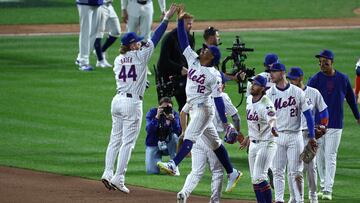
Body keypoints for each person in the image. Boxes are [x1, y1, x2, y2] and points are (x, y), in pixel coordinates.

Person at [157, 7, 242, 200]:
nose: (202, 49)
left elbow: (219, 101)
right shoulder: (194, 60)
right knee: (215, 144)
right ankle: (233, 172)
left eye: (206, 50)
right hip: (194, 107)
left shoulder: (214, 75)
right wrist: (179, 20)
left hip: (204, 110)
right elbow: (183, 40)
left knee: (190, 137)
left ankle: (173, 164)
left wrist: (226, 122)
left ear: (211, 57)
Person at [100, 4, 177, 194]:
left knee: (114, 140)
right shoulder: (141, 55)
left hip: (117, 100)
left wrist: (142, 82)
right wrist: (166, 19)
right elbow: (156, 37)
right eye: (136, 42)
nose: (139, 43)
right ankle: (119, 177)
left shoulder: (118, 60)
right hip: (132, 103)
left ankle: (107, 172)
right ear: (131, 44)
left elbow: (131, 75)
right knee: (128, 142)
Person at [177, 76, 241, 203]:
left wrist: (184, 132)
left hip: (196, 138)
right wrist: (237, 133)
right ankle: (214, 201)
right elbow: (236, 117)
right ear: (220, 85)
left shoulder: (199, 94)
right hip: (213, 139)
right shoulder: (223, 97)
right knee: (217, 171)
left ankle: (184, 192)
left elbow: (183, 112)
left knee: (196, 171)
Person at [307, 49, 360, 200]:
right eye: (320, 62)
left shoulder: (343, 79)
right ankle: (322, 185)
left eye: (325, 62)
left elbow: (351, 99)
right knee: (320, 157)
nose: (322, 65)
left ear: (332, 63)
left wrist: (358, 116)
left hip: (336, 124)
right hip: (318, 126)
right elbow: (306, 101)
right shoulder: (315, 79)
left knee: (330, 156)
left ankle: (328, 189)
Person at [266, 62, 316, 203]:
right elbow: (266, 117)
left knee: (296, 172)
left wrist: (312, 136)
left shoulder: (297, 92)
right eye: (270, 71)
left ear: (282, 73)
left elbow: (308, 115)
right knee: (277, 171)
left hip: (295, 136)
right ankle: (280, 200)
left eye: (274, 71)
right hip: (277, 137)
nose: (271, 74)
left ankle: (299, 200)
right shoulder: (269, 94)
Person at [287, 67, 329, 203]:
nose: (291, 81)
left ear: (301, 78)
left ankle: (313, 196)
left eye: (293, 79)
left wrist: (323, 126)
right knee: (292, 169)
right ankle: (294, 197)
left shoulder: (313, 93)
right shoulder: (288, 94)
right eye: (289, 79)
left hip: (308, 135)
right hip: (293, 135)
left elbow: (323, 111)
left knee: (311, 168)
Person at [241, 75, 278, 203]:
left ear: (262, 88)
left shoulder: (267, 104)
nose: (252, 86)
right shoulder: (249, 100)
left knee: (259, 177)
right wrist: (248, 137)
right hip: (253, 144)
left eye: (255, 84)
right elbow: (253, 123)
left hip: (266, 144)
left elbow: (272, 118)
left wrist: (273, 128)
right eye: (252, 83)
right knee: (254, 179)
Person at [156, 12, 195, 112]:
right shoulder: (169, 38)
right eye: (188, 24)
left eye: (191, 23)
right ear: (180, 24)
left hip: (182, 77)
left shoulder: (190, 38)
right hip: (166, 78)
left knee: (185, 108)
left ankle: (183, 128)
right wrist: (180, 69)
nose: (190, 26)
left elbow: (189, 59)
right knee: (165, 110)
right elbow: (163, 61)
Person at [121, 0, 166, 75]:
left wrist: (163, 9)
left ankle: (143, 65)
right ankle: (126, 63)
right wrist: (123, 9)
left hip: (148, 6)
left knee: (146, 37)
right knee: (129, 36)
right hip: (133, 6)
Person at [145, 97, 181, 175]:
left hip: (169, 145)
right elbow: (149, 130)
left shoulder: (174, 114)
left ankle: (174, 165)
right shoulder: (152, 113)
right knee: (152, 171)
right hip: (154, 144)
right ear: (159, 107)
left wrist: (173, 120)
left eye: (169, 107)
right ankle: (161, 164)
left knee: (174, 137)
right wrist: (157, 117)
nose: (166, 109)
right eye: (164, 108)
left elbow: (178, 132)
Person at [75, 0, 103, 71]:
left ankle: (80, 57)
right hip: (85, 2)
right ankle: (83, 62)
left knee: (94, 32)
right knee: (85, 32)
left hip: (98, 2)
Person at [93, 0, 121, 68]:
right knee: (99, 33)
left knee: (116, 32)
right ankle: (100, 61)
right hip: (100, 7)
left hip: (110, 6)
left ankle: (101, 50)